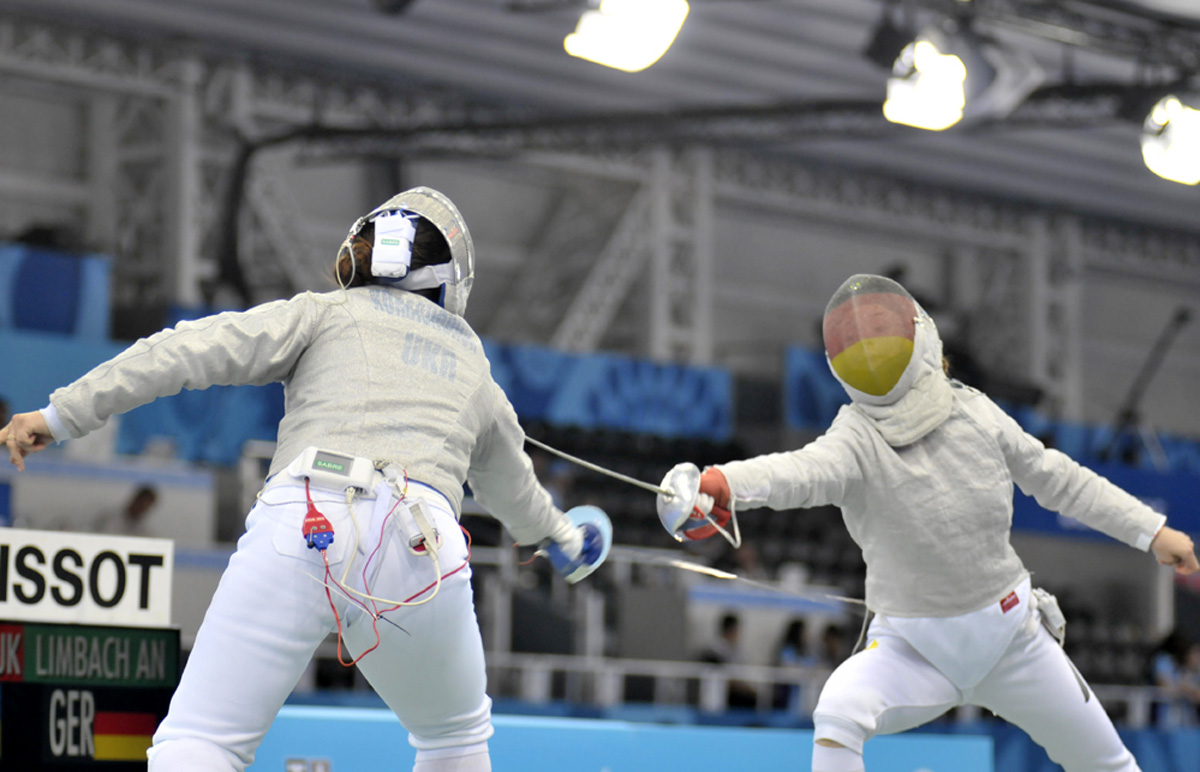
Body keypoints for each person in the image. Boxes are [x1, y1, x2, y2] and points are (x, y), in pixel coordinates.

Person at [0, 187, 609, 772]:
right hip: (421, 546)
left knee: (201, 739)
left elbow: (188, 350)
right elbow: (514, 492)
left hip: (303, 518)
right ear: (451, 280)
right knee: (454, 741)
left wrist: (61, 414)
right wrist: (564, 537)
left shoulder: (323, 313)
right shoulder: (473, 362)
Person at [673, 273, 1199, 772]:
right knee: (838, 711)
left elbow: (1059, 478)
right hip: (913, 649)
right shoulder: (855, 437)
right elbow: (796, 471)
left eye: (881, 333)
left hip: (1012, 641)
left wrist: (1149, 530)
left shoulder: (978, 415)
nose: (871, 350)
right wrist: (723, 484)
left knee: (1109, 764)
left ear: (919, 332)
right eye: (857, 342)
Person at [698, 613, 758, 709]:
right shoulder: (714, 650)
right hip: (723, 692)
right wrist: (745, 688)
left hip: (734, 688)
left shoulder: (736, 651)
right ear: (731, 630)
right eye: (737, 631)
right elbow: (726, 677)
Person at [1149, 630, 1200, 727]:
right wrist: (1185, 689)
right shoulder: (1165, 661)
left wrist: (1189, 690)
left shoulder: (1192, 672)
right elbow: (1164, 685)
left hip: (1188, 722)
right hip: (1166, 720)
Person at [94, 484, 159, 537]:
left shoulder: (144, 530)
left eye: (146, 506)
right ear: (135, 500)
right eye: (141, 504)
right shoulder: (110, 518)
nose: (142, 508)